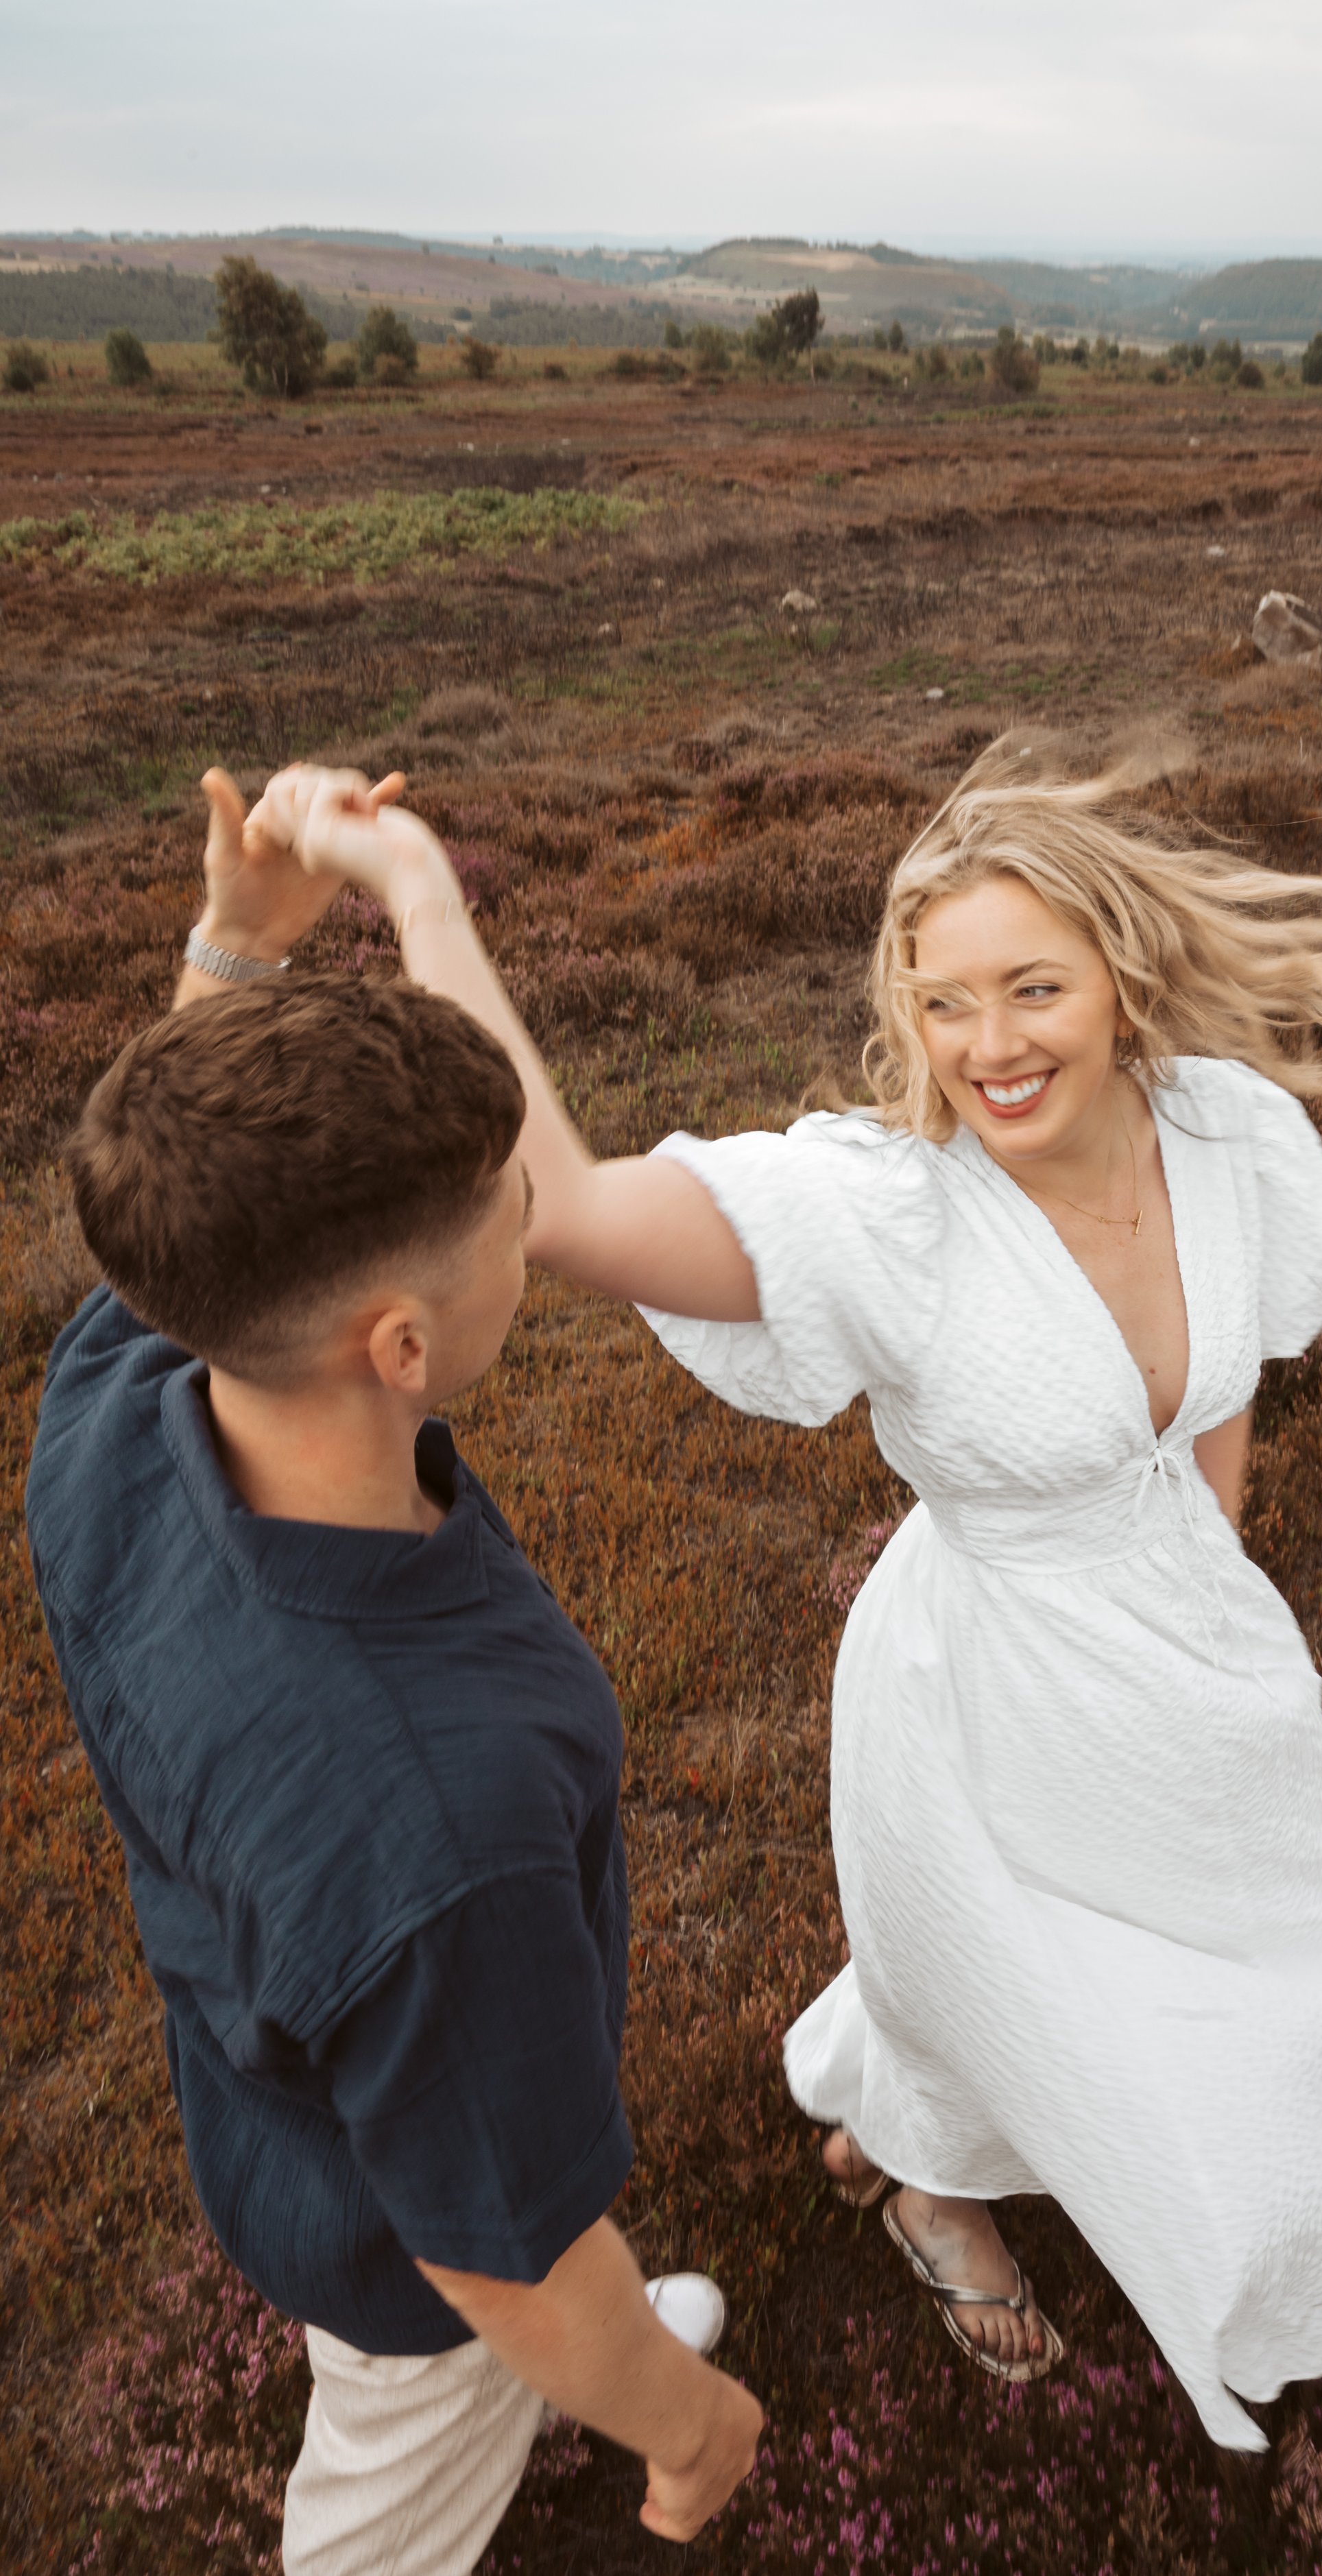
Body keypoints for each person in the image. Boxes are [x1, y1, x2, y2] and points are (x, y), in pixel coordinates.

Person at [286, 738, 1322, 2451]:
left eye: (1030, 987)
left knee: (1295, 1982)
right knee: (1000, 1971)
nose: (986, 1046)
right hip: (981, 1688)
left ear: (1121, 981)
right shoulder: (885, 1215)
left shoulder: (1230, 1140)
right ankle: (929, 2189)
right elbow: (564, 1206)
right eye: (941, 1003)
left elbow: (1215, 1401)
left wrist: (1214, 1579)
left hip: (1194, 1654)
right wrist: (413, 889)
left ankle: (1061, 2157)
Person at [25, 770, 762, 2575]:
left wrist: (234, 951)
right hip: (404, 2251)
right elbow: (493, 2248)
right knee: (397, 2474)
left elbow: (193, 1210)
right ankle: (571, 2382)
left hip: (282, 2057)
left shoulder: (126, 1401)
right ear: (405, 1341)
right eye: (519, 1211)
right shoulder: (439, 1814)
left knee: (496, 2221)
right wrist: (681, 2420)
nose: (544, 1223)